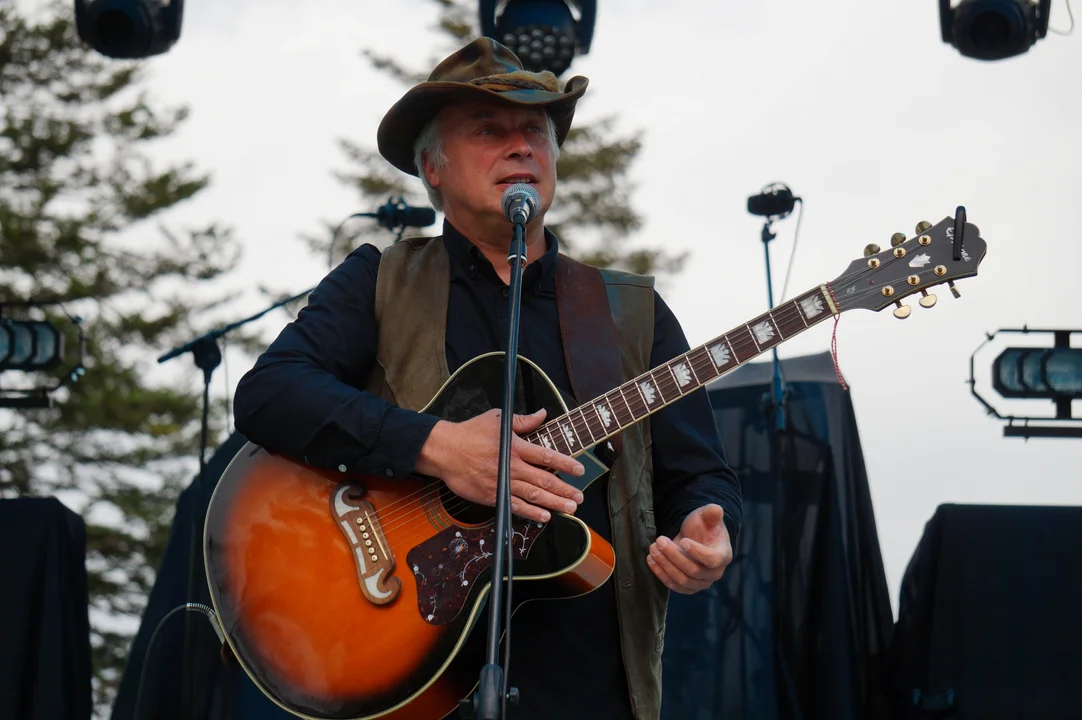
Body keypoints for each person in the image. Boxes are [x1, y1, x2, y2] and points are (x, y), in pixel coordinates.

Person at [232, 37, 742, 720]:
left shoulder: (631, 311)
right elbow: (269, 394)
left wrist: (709, 528)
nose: (521, 146)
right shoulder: (378, 280)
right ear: (432, 169)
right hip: (411, 675)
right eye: (489, 130)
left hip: (587, 683)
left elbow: (696, 473)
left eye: (536, 131)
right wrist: (436, 447)